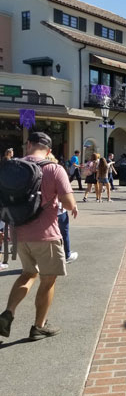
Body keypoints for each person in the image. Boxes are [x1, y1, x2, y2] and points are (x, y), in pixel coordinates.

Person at [0, 132, 77, 341]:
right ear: (49, 150)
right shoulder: (53, 168)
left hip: (18, 233)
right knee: (48, 280)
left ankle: (8, 312)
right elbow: (68, 204)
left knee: (27, 273)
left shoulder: (11, 167)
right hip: (46, 235)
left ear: (28, 145)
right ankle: (38, 326)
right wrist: (72, 204)